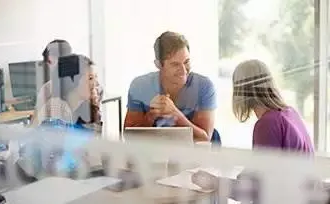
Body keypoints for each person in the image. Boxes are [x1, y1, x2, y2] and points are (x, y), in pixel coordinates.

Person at [191, 59, 314, 201]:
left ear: (241, 90)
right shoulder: (290, 113)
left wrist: (215, 182)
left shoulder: (268, 124)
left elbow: (258, 190)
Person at [124, 31, 218, 142]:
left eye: (186, 62)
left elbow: (204, 138)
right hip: (155, 152)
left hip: (193, 154)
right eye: (175, 64)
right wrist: (150, 116)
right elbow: (128, 136)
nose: (183, 70)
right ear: (158, 65)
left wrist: (175, 114)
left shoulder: (204, 86)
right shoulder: (140, 86)